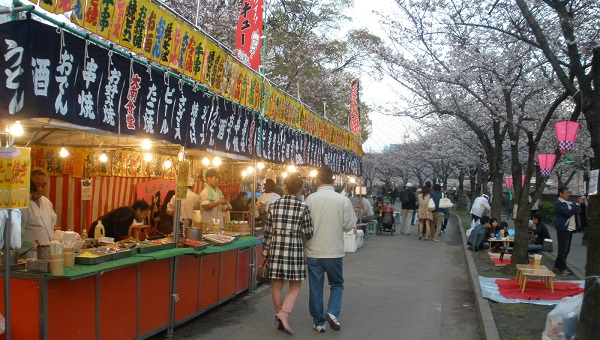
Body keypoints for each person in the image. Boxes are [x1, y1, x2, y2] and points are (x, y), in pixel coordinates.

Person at [304, 166, 356, 333]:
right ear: (333, 181)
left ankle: (319, 323)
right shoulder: (343, 200)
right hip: (334, 251)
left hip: (313, 251)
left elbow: (303, 226)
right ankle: (332, 313)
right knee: (337, 284)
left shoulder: (310, 199)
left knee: (316, 288)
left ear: (318, 180)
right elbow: (349, 225)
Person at [263, 174, 313, 335]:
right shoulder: (303, 207)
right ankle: (283, 315)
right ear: (299, 189)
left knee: (276, 285)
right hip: (294, 250)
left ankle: (279, 315)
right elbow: (309, 232)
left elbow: (268, 232)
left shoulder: (274, 205)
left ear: (285, 186)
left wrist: (265, 253)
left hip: (276, 249)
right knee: (295, 286)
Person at [22, 168, 58, 246]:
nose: (40, 189)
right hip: (29, 252)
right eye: (36, 185)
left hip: (47, 248)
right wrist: (30, 245)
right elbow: (17, 232)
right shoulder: (22, 203)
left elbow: (52, 222)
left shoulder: (46, 202)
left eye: (43, 185)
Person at [553, 186, 577, 275]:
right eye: (566, 192)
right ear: (561, 193)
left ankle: (557, 266)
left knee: (566, 249)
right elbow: (568, 213)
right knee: (563, 249)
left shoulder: (568, 203)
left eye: (568, 193)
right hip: (563, 229)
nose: (568, 194)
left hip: (569, 229)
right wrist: (576, 205)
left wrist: (575, 206)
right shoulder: (559, 203)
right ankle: (563, 268)